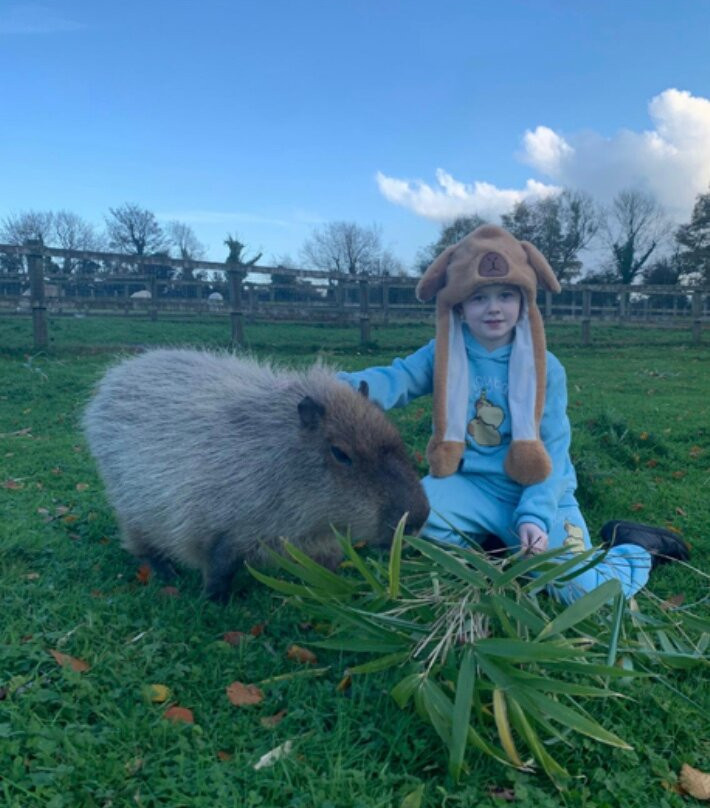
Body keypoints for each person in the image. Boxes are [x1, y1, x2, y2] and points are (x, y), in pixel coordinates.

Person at [338, 225, 687, 603]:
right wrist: (335, 387)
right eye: (478, 297)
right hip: (471, 484)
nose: (493, 307)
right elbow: (397, 378)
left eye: (505, 294)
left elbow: (552, 451)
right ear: (458, 305)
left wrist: (535, 515)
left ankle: (635, 548)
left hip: (537, 489)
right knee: (409, 532)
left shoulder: (546, 368)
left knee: (583, 593)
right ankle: (492, 541)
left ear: (524, 300)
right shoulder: (444, 352)